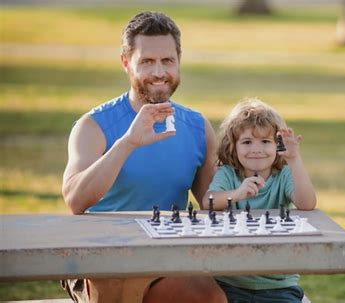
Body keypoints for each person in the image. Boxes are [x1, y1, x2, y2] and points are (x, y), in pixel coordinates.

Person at [61, 11, 226, 303]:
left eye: (167, 61)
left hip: (167, 254)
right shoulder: (93, 126)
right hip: (100, 255)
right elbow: (76, 199)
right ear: (126, 62)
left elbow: (214, 204)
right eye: (147, 61)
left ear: (179, 60)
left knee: (208, 296)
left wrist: (261, 174)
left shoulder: (198, 127)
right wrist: (128, 143)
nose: (159, 72)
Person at [202, 98, 317, 302]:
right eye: (247, 142)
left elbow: (307, 204)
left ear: (277, 145)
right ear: (233, 146)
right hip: (231, 282)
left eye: (265, 142)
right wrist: (236, 193)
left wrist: (294, 159)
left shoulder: (283, 174)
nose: (256, 149)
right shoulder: (228, 174)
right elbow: (208, 202)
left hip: (278, 283)